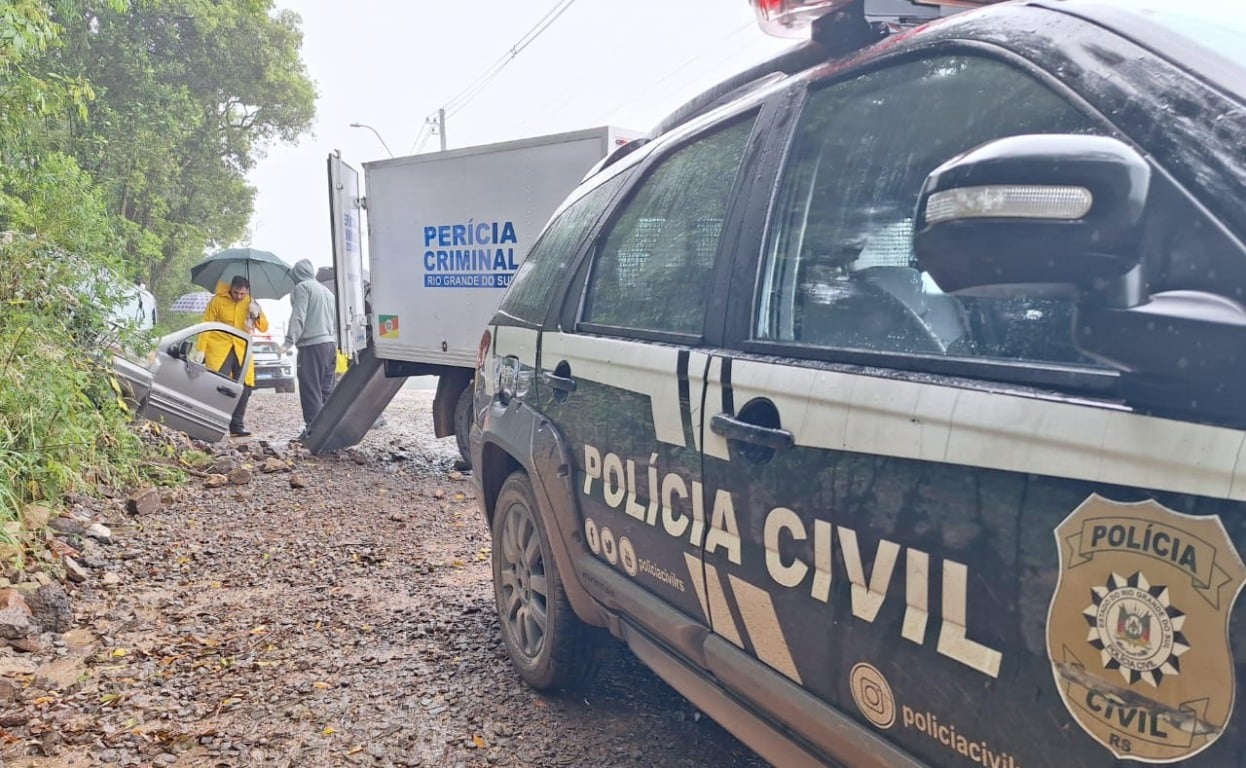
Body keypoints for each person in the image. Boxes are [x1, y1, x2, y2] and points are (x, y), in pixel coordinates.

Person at [199, 275, 267, 437]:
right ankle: (214, 422)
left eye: (242, 294)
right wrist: (201, 349)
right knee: (219, 384)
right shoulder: (217, 301)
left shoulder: (252, 303)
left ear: (247, 291)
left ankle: (236, 425)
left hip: (242, 349)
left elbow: (264, 327)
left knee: (245, 387)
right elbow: (206, 324)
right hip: (219, 347)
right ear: (231, 288)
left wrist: (256, 315)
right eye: (236, 293)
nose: (239, 296)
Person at [284, 259, 337, 437]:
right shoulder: (327, 292)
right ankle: (330, 429)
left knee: (310, 389)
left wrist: (288, 341)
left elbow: (299, 315)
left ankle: (314, 432)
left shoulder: (302, 288)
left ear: (297, 275)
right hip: (330, 345)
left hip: (312, 346)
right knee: (326, 390)